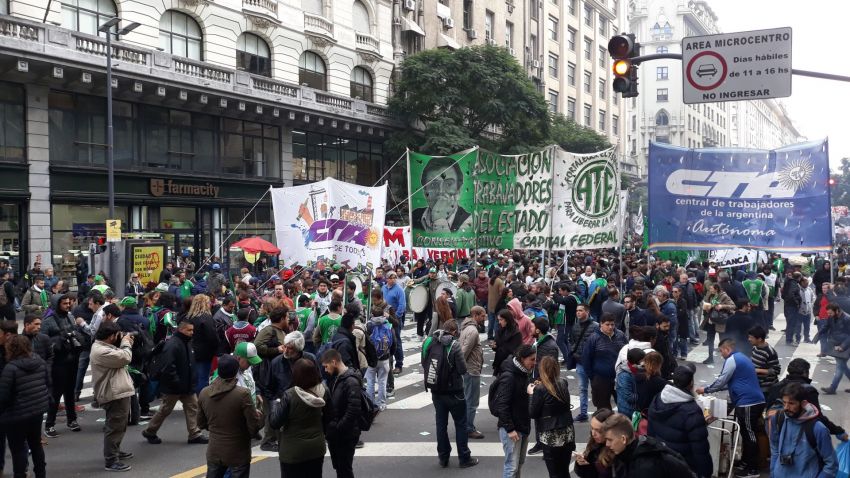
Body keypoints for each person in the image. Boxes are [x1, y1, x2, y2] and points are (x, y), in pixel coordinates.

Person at [696, 339, 765, 478]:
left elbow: (722, 381)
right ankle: (746, 463)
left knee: (749, 435)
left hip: (748, 402)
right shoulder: (742, 358)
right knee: (746, 434)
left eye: (721, 351)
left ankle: (753, 469)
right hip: (750, 401)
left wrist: (706, 389)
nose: (721, 354)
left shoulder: (732, 359)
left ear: (727, 349)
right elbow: (734, 382)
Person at [421, 320, 479, 469]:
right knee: (460, 424)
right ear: (454, 332)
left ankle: (443, 457)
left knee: (441, 424)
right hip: (455, 392)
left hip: (436, 391)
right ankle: (464, 457)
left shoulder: (428, 342)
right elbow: (462, 369)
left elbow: (424, 363)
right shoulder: (454, 345)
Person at [142, 320, 208, 445]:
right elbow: (168, 366)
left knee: (193, 406)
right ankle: (150, 431)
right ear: (181, 329)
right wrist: (176, 381)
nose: (192, 332)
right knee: (165, 409)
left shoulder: (185, 342)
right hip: (174, 386)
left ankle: (194, 434)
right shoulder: (173, 344)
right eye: (189, 330)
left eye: (192, 330)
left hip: (186, 384)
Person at [197, 354, 263, 478]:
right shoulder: (242, 394)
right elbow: (253, 427)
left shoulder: (204, 393)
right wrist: (260, 417)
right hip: (238, 451)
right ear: (235, 371)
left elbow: (200, 423)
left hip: (214, 449)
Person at [648, 364, 712, 478]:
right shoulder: (692, 411)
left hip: (662, 459)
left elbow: (651, 433)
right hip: (683, 466)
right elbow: (700, 449)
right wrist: (705, 473)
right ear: (691, 383)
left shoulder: (658, 398)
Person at [270, 357, 330, 477]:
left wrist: (274, 404)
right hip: (316, 448)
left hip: (292, 451)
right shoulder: (324, 391)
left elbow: (275, 422)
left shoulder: (290, 395)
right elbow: (328, 419)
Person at [0, 335, 49, 478]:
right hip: (36, 410)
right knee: (36, 444)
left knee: (18, 449)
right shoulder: (39, 361)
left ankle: (20, 474)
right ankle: (41, 474)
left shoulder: (11, 368)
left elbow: (4, 396)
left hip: (16, 414)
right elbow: (47, 381)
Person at [90, 320, 136, 472]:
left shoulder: (104, 346)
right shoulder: (101, 351)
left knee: (119, 425)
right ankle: (111, 460)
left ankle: (115, 451)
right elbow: (125, 357)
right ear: (111, 336)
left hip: (117, 390)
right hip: (113, 393)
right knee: (115, 426)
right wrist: (126, 344)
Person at [767, 383, 838, 478]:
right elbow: (774, 448)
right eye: (784, 402)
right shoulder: (778, 418)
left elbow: (831, 464)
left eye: (791, 403)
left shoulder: (818, 428)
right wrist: (773, 472)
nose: (786, 408)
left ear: (803, 404)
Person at [765, 358, 847, 440]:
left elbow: (768, 410)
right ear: (805, 372)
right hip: (800, 436)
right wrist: (838, 431)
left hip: (776, 431)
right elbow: (817, 416)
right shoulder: (808, 390)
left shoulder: (775, 387)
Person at [41, 293, 86, 437]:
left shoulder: (70, 316)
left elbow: (76, 333)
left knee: (70, 392)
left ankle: (72, 420)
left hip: (72, 360)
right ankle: (49, 424)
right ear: (57, 304)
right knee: (56, 393)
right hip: (58, 362)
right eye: (65, 303)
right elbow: (43, 341)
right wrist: (59, 339)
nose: (68, 305)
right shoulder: (48, 321)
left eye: (69, 303)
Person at [603, 413, 695, 478]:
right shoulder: (638, 448)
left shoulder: (645, 468)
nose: (607, 444)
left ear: (623, 439)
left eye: (610, 440)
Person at [493, 345, 536, 478]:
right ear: (522, 359)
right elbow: (502, 405)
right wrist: (510, 429)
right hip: (512, 429)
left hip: (522, 426)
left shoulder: (524, 373)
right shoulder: (510, 377)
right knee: (511, 467)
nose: (534, 363)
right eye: (532, 360)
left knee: (518, 464)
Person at [529, 355, 575, 478]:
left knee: (554, 472)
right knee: (564, 470)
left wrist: (531, 394)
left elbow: (533, 413)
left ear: (542, 370)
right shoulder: (563, 382)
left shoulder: (539, 389)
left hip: (550, 434)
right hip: (567, 431)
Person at [320, 348, 362, 478]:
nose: (326, 370)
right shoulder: (338, 378)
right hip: (339, 433)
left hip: (345, 434)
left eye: (326, 366)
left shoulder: (350, 381)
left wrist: (338, 428)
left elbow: (353, 409)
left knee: (344, 468)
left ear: (333, 362)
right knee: (340, 467)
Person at [411, 156, 472, 233]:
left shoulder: (470, 222)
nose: (441, 191)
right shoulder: (414, 216)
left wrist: (439, 219)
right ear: (425, 191)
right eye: (433, 185)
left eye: (448, 184)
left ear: (458, 191)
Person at [581, 313, 627, 410]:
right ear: (601, 324)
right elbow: (586, 359)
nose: (610, 327)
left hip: (620, 377)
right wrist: (593, 377)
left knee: (624, 405)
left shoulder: (620, 335)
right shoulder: (593, 338)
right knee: (603, 408)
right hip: (601, 378)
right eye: (607, 324)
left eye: (612, 324)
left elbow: (627, 352)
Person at [460, 305, 486, 439]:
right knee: (472, 401)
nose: (485, 318)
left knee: (468, 399)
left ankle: (465, 426)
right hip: (471, 370)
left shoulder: (467, 328)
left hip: (469, 369)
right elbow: (464, 351)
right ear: (475, 315)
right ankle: (468, 428)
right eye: (482, 315)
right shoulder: (473, 331)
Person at [569, 304, 598, 422]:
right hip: (580, 361)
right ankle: (583, 413)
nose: (578, 313)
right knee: (582, 388)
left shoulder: (595, 326)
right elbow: (572, 341)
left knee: (595, 388)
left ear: (587, 311)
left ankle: (598, 412)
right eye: (577, 311)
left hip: (593, 362)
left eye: (580, 310)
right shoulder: (575, 327)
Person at [186, 294, 219, 395]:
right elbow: (212, 336)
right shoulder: (206, 318)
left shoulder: (189, 317)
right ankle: (201, 402)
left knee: (193, 378)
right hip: (204, 353)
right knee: (202, 378)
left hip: (190, 352)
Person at [818, 303, 850, 395]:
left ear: (837, 311)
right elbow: (826, 326)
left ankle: (832, 388)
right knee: (843, 367)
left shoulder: (847, 319)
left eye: (830, 313)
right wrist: (819, 334)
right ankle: (832, 388)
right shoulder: (832, 317)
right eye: (828, 313)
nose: (829, 315)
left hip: (846, 345)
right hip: (836, 344)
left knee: (840, 367)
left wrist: (842, 346)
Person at [574, 408, 615, 478]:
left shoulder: (616, 451)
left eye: (598, 430)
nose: (593, 433)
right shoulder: (594, 443)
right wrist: (581, 464)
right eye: (592, 428)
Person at [701, 282, 735, 365]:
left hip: (720, 321)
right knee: (710, 339)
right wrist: (707, 307)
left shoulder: (723, 295)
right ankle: (710, 357)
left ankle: (728, 358)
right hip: (711, 320)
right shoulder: (711, 295)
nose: (710, 290)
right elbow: (709, 304)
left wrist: (722, 306)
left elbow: (733, 306)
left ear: (716, 289)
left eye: (711, 289)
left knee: (723, 341)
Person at [381, 272, 406, 375]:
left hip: (395, 318)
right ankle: (387, 363)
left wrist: (395, 317)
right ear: (387, 279)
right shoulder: (383, 288)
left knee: (396, 341)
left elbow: (402, 305)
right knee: (386, 340)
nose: (393, 280)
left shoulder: (399, 290)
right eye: (391, 278)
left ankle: (399, 364)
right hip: (384, 318)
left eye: (395, 278)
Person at [748, 325, 780, 397]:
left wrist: (757, 370)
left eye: (751, 337)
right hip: (756, 385)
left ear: (759, 339)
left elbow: (776, 370)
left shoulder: (770, 352)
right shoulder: (755, 348)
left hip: (765, 388)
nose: (749, 339)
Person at [492, 309, 522, 376]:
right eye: (498, 320)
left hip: (509, 365)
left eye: (501, 320)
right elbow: (498, 344)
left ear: (507, 319)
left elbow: (513, 350)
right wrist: (494, 346)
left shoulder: (516, 333)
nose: (499, 322)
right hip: (499, 362)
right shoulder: (500, 330)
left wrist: (498, 348)